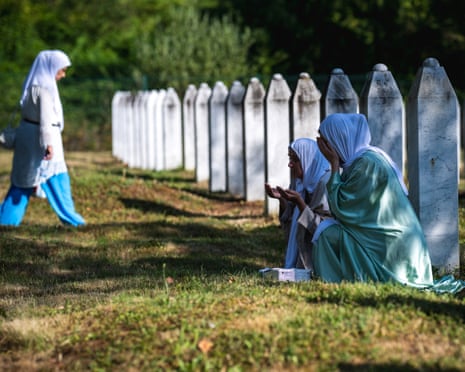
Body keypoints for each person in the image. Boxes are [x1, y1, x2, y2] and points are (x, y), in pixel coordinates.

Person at [314, 113, 465, 293]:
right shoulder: (363, 160)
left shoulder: (366, 164)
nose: (322, 148)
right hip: (389, 242)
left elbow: (342, 209)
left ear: (339, 140)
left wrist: (333, 164)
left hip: (391, 249)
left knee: (327, 233)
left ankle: (335, 281)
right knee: (328, 228)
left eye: (325, 142)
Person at [0, 50, 85, 227]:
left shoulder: (32, 86)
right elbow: (46, 119)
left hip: (27, 137)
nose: (63, 74)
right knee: (58, 182)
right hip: (43, 139)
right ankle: (75, 222)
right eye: (61, 70)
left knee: (22, 183)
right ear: (50, 67)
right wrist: (48, 143)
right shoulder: (44, 89)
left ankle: (6, 222)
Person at [265, 138, 332, 271]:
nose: (290, 165)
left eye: (295, 160)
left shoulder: (325, 184)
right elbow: (291, 230)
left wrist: (300, 204)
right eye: (290, 159)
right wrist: (282, 200)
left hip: (320, 260)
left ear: (308, 160)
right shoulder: (300, 183)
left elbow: (324, 230)